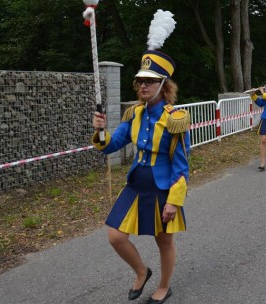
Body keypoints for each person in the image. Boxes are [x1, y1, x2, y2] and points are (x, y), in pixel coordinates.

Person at [92, 9, 189, 304]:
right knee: (115, 236)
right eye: (140, 81)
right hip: (135, 185)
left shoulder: (175, 118)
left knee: (164, 241)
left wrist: (174, 200)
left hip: (162, 188)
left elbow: (182, 165)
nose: (143, 85)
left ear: (163, 85)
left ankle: (163, 285)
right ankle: (140, 271)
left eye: (149, 81)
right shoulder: (133, 115)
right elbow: (109, 146)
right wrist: (100, 131)